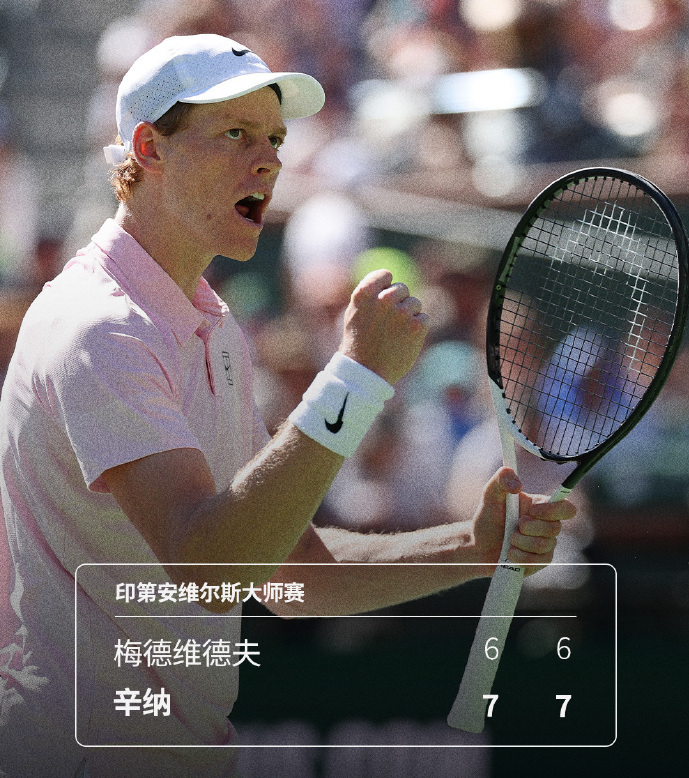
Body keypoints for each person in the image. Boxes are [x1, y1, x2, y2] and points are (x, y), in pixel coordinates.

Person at [0, 34, 574, 778]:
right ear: (148, 149)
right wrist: (355, 379)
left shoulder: (210, 324)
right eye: (234, 134)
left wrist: (470, 549)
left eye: (273, 138)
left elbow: (287, 571)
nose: (267, 160)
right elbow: (209, 568)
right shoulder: (99, 328)